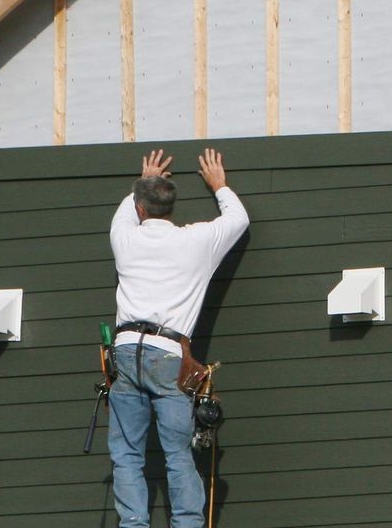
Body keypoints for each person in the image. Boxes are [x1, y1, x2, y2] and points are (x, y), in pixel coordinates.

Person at [108, 147, 249, 528]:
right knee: (177, 454)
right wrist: (220, 186)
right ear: (170, 209)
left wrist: (147, 179)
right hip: (168, 354)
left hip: (125, 352)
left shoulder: (125, 239)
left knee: (126, 455)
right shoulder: (196, 242)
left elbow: (125, 213)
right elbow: (237, 219)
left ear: (141, 208)